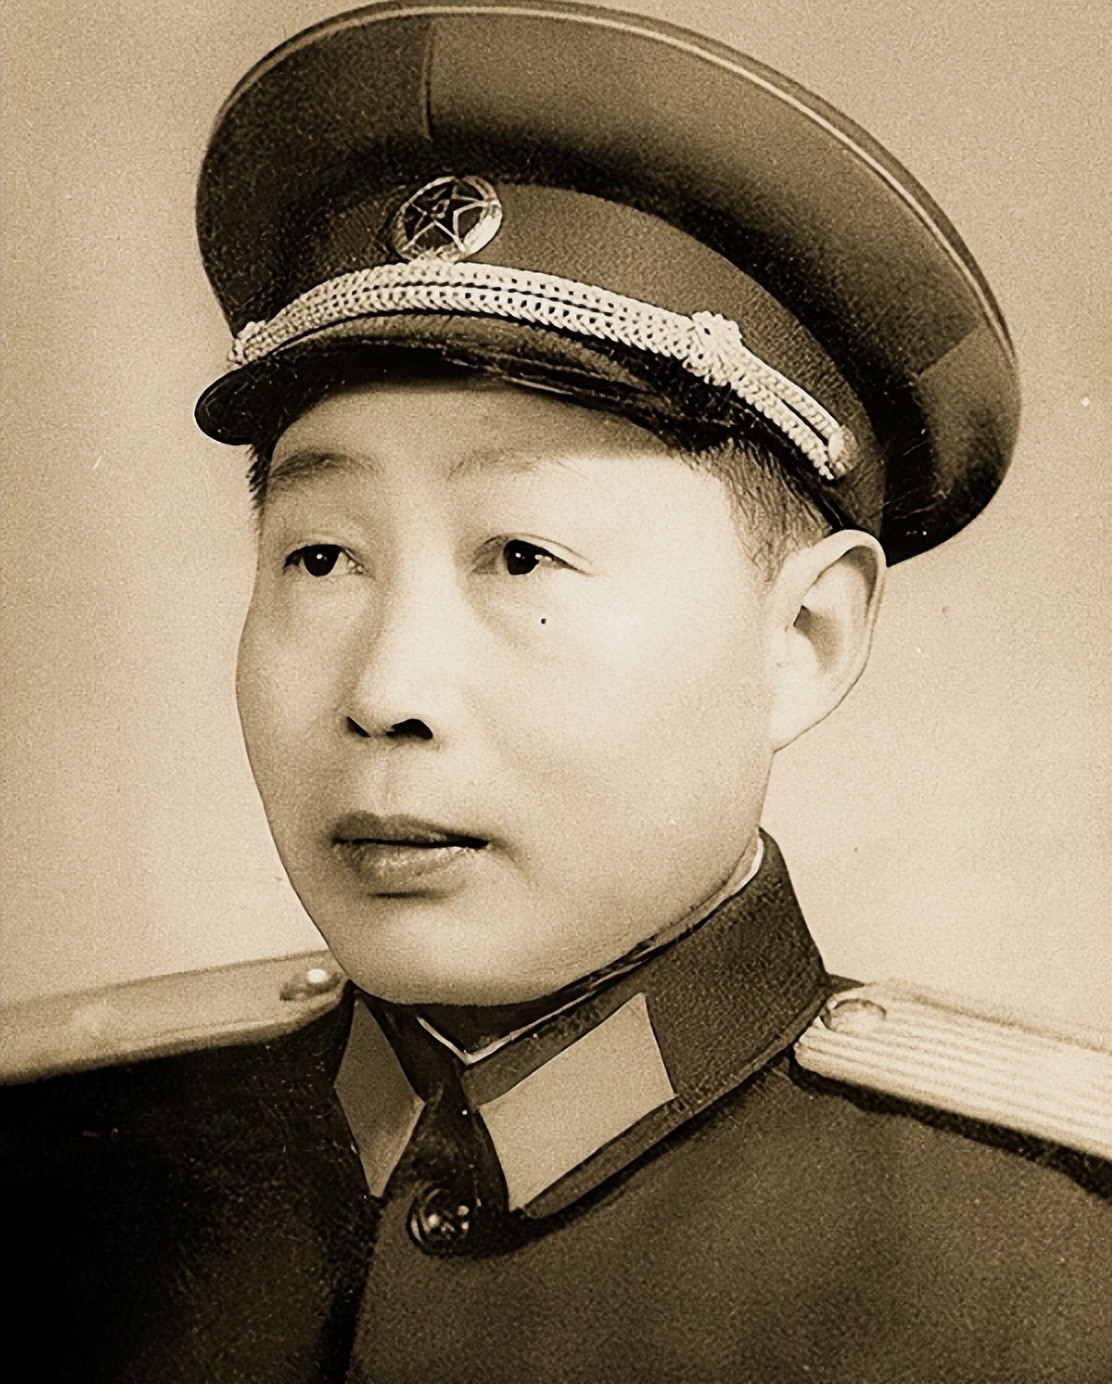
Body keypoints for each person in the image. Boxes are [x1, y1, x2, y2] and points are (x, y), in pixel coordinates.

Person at [2, 3, 1109, 1381]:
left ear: (806, 636)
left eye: (521, 556)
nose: (387, 691)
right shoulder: (53, 1188)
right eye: (321, 557)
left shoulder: (1054, 1274)